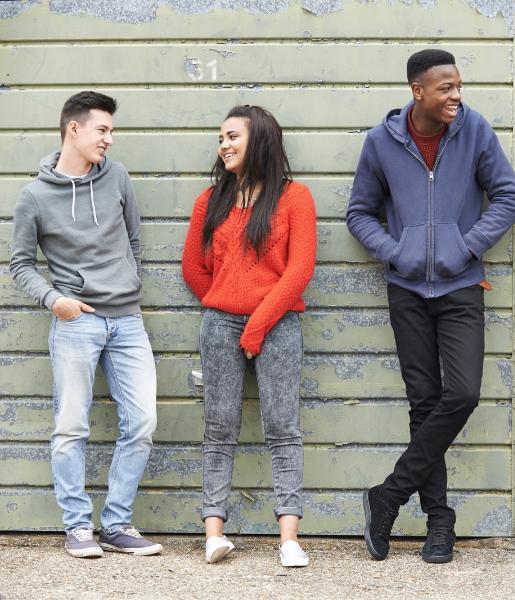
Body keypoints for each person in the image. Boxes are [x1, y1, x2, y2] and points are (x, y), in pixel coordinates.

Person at [346, 49, 515, 564]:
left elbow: (509, 197)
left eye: (459, 85)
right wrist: (396, 250)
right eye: (445, 87)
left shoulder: (474, 130)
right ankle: (439, 523)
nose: (456, 96)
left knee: (462, 393)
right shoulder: (382, 142)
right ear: (417, 91)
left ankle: (389, 494)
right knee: (424, 404)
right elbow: (359, 213)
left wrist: (466, 246)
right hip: (406, 290)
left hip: (460, 285)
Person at [10, 91, 161, 558]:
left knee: (143, 421)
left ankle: (116, 524)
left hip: (128, 321)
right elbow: (20, 265)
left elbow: (133, 238)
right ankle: (78, 526)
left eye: (111, 131)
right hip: (76, 324)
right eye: (103, 129)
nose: (110, 140)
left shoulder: (116, 178)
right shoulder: (34, 197)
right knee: (71, 426)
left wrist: (127, 282)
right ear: (73, 130)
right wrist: (57, 301)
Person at [181, 105, 317, 567]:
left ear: (259, 140)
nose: (223, 145)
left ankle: (289, 539)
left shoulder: (294, 198)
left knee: (282, 427)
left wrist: (257, 323)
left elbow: (299, 269)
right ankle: (213, 534)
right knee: (219, 428)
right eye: (220, 138)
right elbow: (193, 269)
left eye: (232, 136)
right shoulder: (209, 201)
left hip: (278, 324)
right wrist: (222, 304)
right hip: (220, 326)